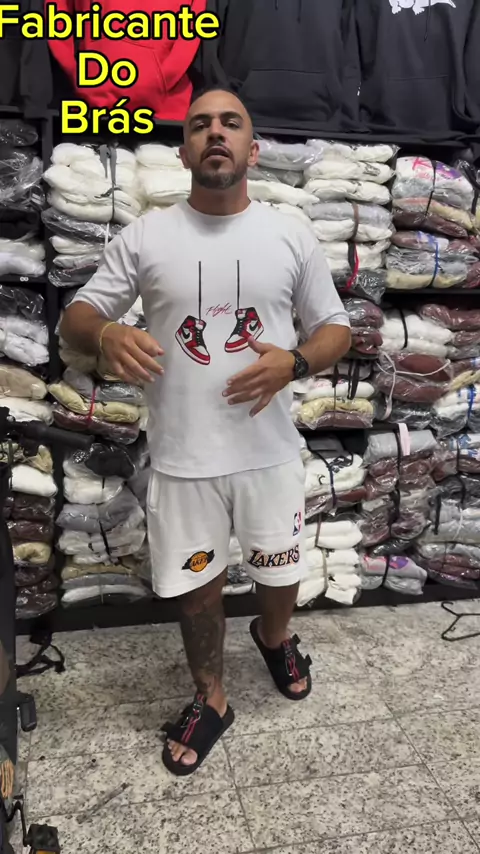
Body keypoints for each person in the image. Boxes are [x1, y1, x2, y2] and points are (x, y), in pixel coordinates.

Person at [60, 87, 352, 776]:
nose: (215, 132)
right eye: (200, 125)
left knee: (280, 571)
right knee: (197, 589)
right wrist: (106, 332)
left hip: (268, 453)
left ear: (253, 149)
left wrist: (295, 361)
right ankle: (211, 696)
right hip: (183, 458)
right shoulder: (146, 235)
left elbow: (336, 328)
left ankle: (274, 637)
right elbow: (77, 314)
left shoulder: (290, 233)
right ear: (185, 151)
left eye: (231, 123)